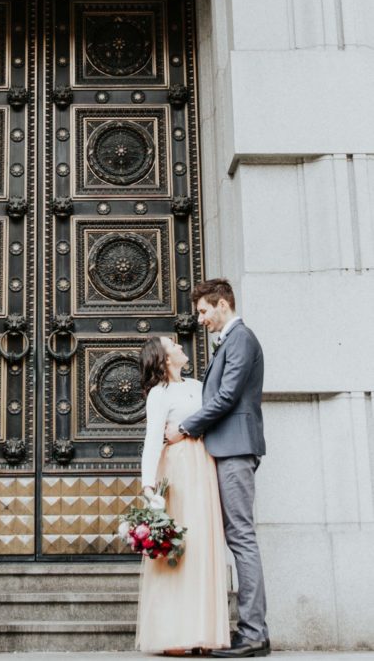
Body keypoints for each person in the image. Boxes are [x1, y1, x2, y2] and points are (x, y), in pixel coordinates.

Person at [165, 278, 269, 658]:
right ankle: (251, 629)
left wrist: (186, 427)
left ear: (222, 304)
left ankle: (254, 633)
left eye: (204, 311)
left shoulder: (240, 338)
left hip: (236, 448)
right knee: (236, 535)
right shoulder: (230, 340)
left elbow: (226, 395)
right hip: (225, 447)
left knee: (241, 536)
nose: (201, 319)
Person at [136, 335, 230, 655]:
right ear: (164, 359)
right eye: (172, 345)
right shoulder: (159, 394)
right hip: (177, 471)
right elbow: (152, 440)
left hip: (203, 466)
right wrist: (148, 486)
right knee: (181, 551)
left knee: (203, 546)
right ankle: (174, 634)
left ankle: (202, 632)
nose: (179, 346)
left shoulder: (199, 384)